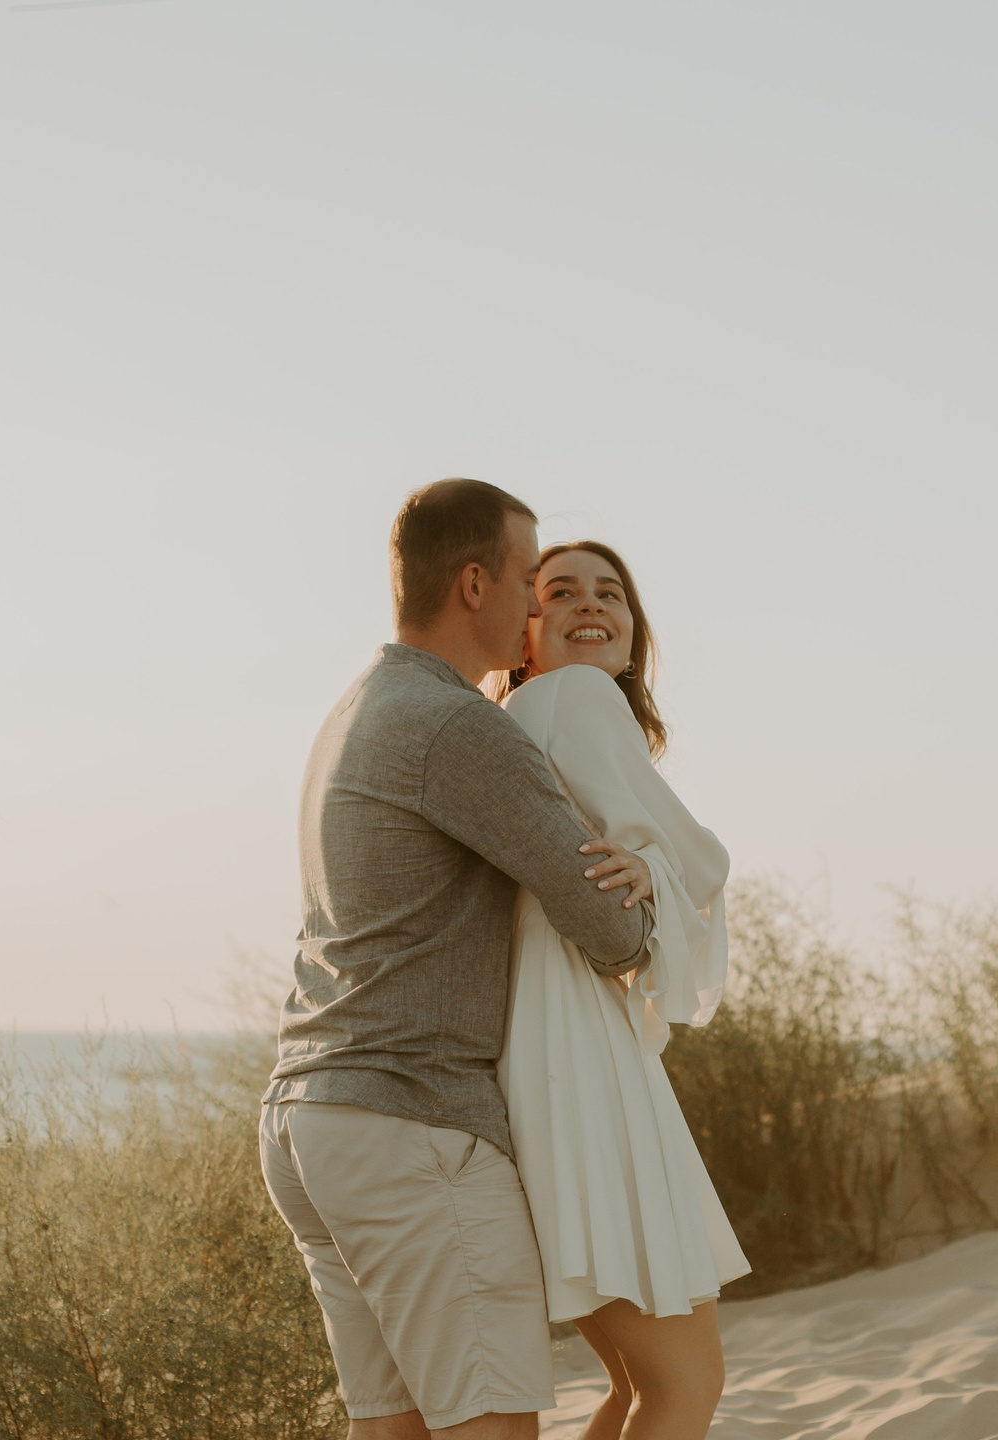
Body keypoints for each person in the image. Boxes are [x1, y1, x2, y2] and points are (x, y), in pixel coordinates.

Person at [259, 479, 656, 1440]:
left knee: (393, 1430)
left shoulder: (355, 708)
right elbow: (609, 930)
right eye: (528, 580)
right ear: (475, 584)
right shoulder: (458, 725)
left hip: (310, 1122)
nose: (536, 606)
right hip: (413, 1127)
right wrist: (646, 891)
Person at [492, 541, 746, 1440]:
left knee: (637, 1388)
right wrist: (659, 864)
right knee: (686, 1385)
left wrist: (648, 864)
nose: (591, 606)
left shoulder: (518, 716)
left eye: (612, 594)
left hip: (535, 1039)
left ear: (634, 632)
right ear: (523, 633)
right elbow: (703, 859)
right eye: (561, 592)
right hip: (577, 1043)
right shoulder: (574, 696)